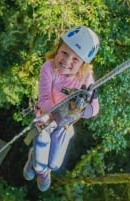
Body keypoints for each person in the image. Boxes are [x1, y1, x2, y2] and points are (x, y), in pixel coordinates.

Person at [23, 25, 100, 192]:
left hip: (65, 124)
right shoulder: (48, 68)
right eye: (64, 53)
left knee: (54, 163)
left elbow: (94, 109)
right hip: (46, 116)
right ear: (57, 50)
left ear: (83, 64)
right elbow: (44, 100)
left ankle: (37, 162)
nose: (67, 61)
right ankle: (40, 170)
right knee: (42, 139)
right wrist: (63, 110)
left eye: (75, 59)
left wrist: (80, 109)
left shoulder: (86, 79)